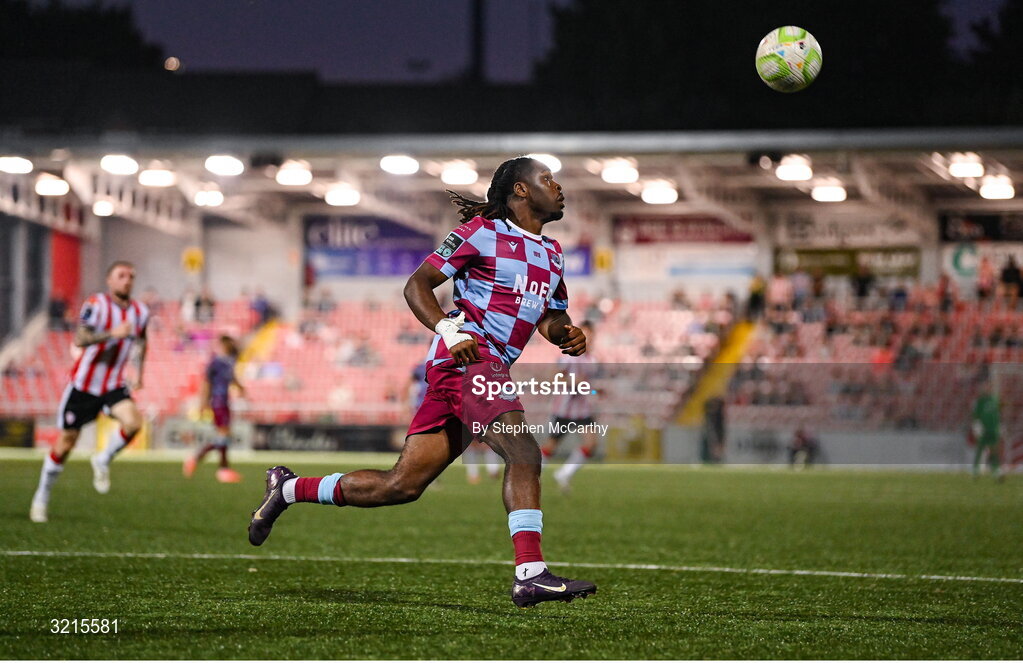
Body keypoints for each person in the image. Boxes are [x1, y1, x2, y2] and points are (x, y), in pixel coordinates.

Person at [246, 156, 597, 607]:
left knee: (402, 486)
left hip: (484, 368)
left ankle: (288, 489)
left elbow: (550, 312)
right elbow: (418, 285)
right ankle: (530, 574)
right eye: (547, 179)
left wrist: (565, 333)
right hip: (467, 360)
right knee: (524, 450)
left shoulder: (552, 253)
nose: (559, 186)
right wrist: (450, 330)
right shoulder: (482, 234)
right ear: (522, 191)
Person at [30, 261, 150, 523]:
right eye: (121, 275)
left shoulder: (140, 311)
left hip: (113, 385)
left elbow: (142, 340)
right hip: (84, 386)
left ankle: (102, 458)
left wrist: (139, 374)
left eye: (131, 276)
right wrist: (111, 333)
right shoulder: (96, 304)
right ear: (109, 280)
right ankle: (42, 497)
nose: (127, 280)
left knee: (133, 422)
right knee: (65, 444)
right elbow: (80, 339)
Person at [541, 321, 599, 493]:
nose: (589, 338)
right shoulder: (568, 356)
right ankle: (532, 472)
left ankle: (564, 473)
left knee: (591, 443)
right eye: (586, 334)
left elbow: (587, 385)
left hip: (582, 409)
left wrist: (596, 391)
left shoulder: (592, 359)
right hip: (564, 408)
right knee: (551, 446)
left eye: (591, 335)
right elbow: (553, 378)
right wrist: (573, 382)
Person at [183, 335, 245, 482]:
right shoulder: (216, 362)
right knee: (223, 435)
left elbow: (232, 377)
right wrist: (203, 402)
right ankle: (203, 461)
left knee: (224, 436)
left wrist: (241, 388)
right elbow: (207, 383)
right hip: (218, 401)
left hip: (224, 401)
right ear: (224, 345)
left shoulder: (229, 361)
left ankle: (221, 468)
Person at [970, 379, 1003, 481]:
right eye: (986, 387)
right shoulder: (980, 401)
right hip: (983, 430)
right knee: (980, 449)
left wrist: (1000, 427)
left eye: (989, 387)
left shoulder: (995, 399)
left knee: (994, 451)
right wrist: (976, 428)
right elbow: (975, 416)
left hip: (993, 429)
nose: (987, 389)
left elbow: (998, 415)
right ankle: (976, 470)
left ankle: (996, 471)